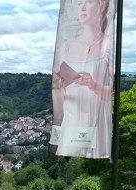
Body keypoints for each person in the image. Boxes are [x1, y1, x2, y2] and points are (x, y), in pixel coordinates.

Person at [51, 0, 115, 159]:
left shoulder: (108, 45)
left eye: (89, 2)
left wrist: (93, 85)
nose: (83, 7)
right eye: (80, 3)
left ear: (101, 6)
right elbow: (60, 96)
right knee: (71, 162)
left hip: (96, 121)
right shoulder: (66, 47)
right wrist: (60, 87)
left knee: (96, 167)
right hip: (72, 121)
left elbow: (113, 95)